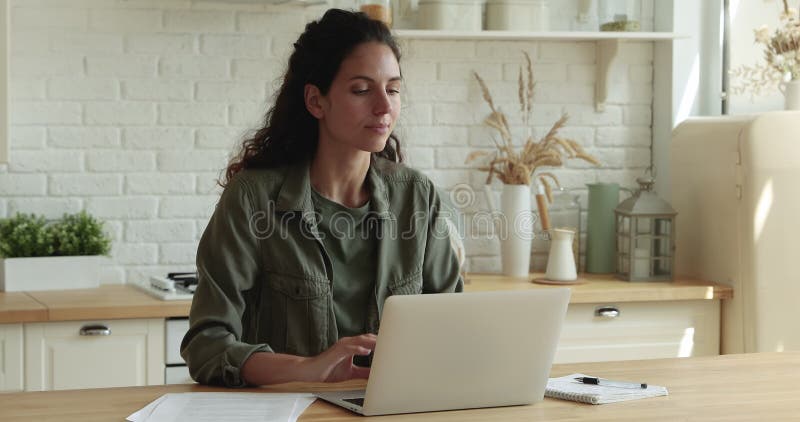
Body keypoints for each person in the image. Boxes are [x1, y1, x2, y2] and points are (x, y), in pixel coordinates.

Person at [180, 8, 464, 388]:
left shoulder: (418, 196)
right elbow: (207, 345)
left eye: (393, 89)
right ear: (316, 101)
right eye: (362, 90)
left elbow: (452, 329)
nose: (384, 106)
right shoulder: (252, 199)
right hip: (291, 409)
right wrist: (307, 368)